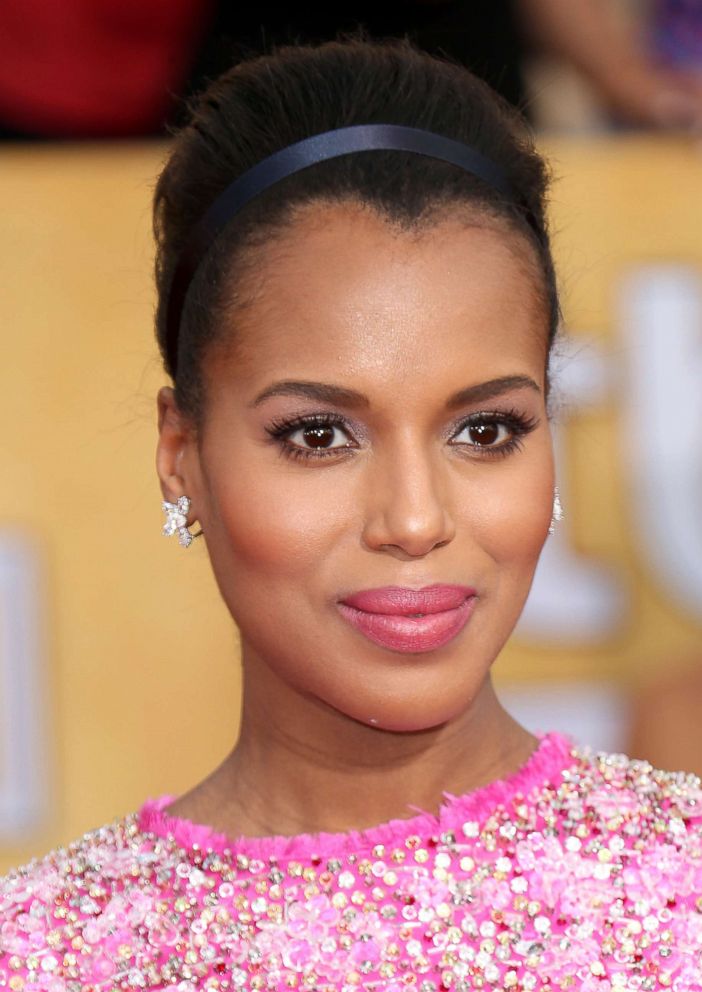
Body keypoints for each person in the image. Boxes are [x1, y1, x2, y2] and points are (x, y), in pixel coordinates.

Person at [2, 37, 702, 992]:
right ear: (182, 455)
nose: (414, 520)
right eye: (321, 435)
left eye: (487, 429)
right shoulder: (48, 956)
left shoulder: (682, 889)